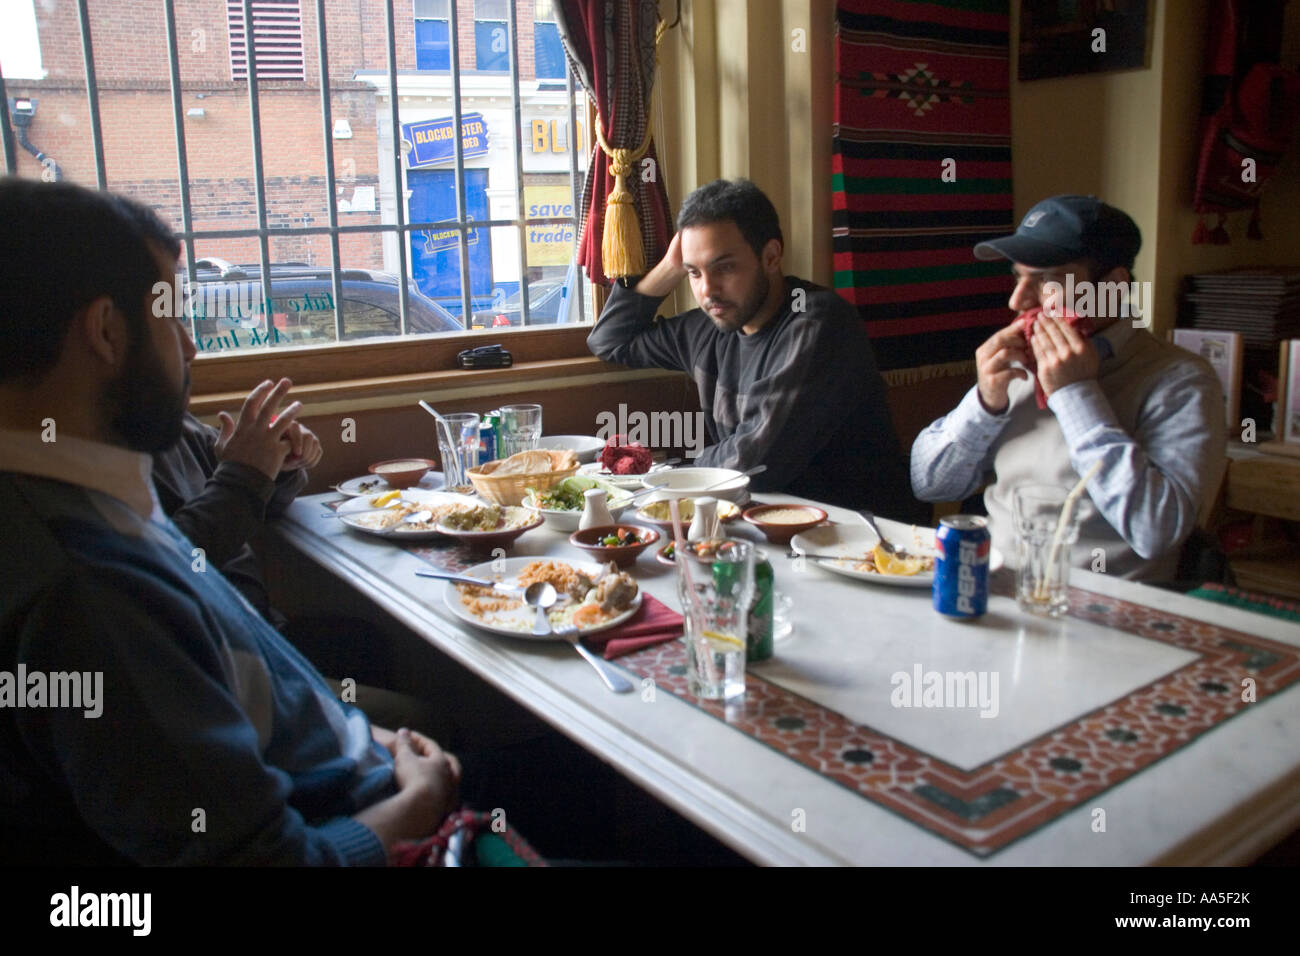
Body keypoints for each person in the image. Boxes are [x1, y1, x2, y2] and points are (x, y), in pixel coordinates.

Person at [0, 178, 459, 864]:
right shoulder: (87, 588)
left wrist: (368, 735)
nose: (190, 349)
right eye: (174, 317)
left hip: (356, 771)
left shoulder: (88, 484)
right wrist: (422, 802)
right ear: (105, 330)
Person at [910, 195, 1225, 581]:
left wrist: (1075, 395)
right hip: (989, 589)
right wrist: (984, 404)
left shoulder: (1183, 380)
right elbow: (928, 483)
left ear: (1112, 286)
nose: (1017, 301)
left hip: (1106, 613)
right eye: (1017, 276)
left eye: (1047, 280)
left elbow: (1157, 532)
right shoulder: (1018, 359)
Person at [587, 178, 918, 518]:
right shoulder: (712, 322)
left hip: (860, 536)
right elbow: (610, 340)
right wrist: (672, 265)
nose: (708, 290)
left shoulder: (816, 320)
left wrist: (674, 474)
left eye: (724, 267)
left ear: (771, 256)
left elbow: (756, 461)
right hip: (764, 526)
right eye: (694, 273)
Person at [152, 378, 321, 628]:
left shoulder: (172, 423)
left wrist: (277, 464)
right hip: (214, 642)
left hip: (257, 623)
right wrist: (246, 476)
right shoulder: (102, 469)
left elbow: (251, 503)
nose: (190, 349)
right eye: (173, 336)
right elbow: (178, 566)